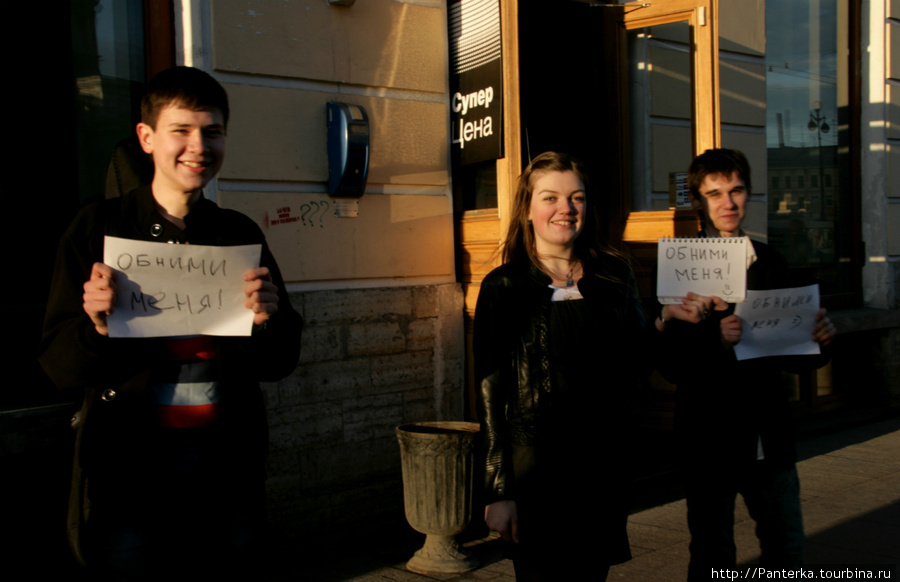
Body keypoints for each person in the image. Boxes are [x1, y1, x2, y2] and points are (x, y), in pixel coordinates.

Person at [38, 66, 303, 580]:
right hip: (129, 477)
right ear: (147, 137)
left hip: (225, 474)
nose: (198, 146)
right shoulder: (98, 229)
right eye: (181, 130)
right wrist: (94, 327)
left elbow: (279, 362)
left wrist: (267, 321)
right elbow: (57, 366)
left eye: (213, 131)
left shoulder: (236, 233)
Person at [653, 149, 836, 580]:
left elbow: (797, 357)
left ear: (748, 193)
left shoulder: (770, 262)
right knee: (713, 552)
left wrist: (820, 341)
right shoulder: (683, 266)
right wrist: (715, 339)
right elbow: (670, 365)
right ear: (699, 201)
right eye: (714, 193)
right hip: (707, 435)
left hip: (766, 432)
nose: (727, 203)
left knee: (785, 544)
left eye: (735, 191)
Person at [474, 152, 645, 581]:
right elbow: (490, 396)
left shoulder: (614, 275)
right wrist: (499, 489)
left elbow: (640, 359)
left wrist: (668, 323)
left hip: (599, 469)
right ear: (528, 210)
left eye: (577, 198)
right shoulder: (504, 286)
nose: (566, 209)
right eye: (550, 197)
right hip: (535, 472)